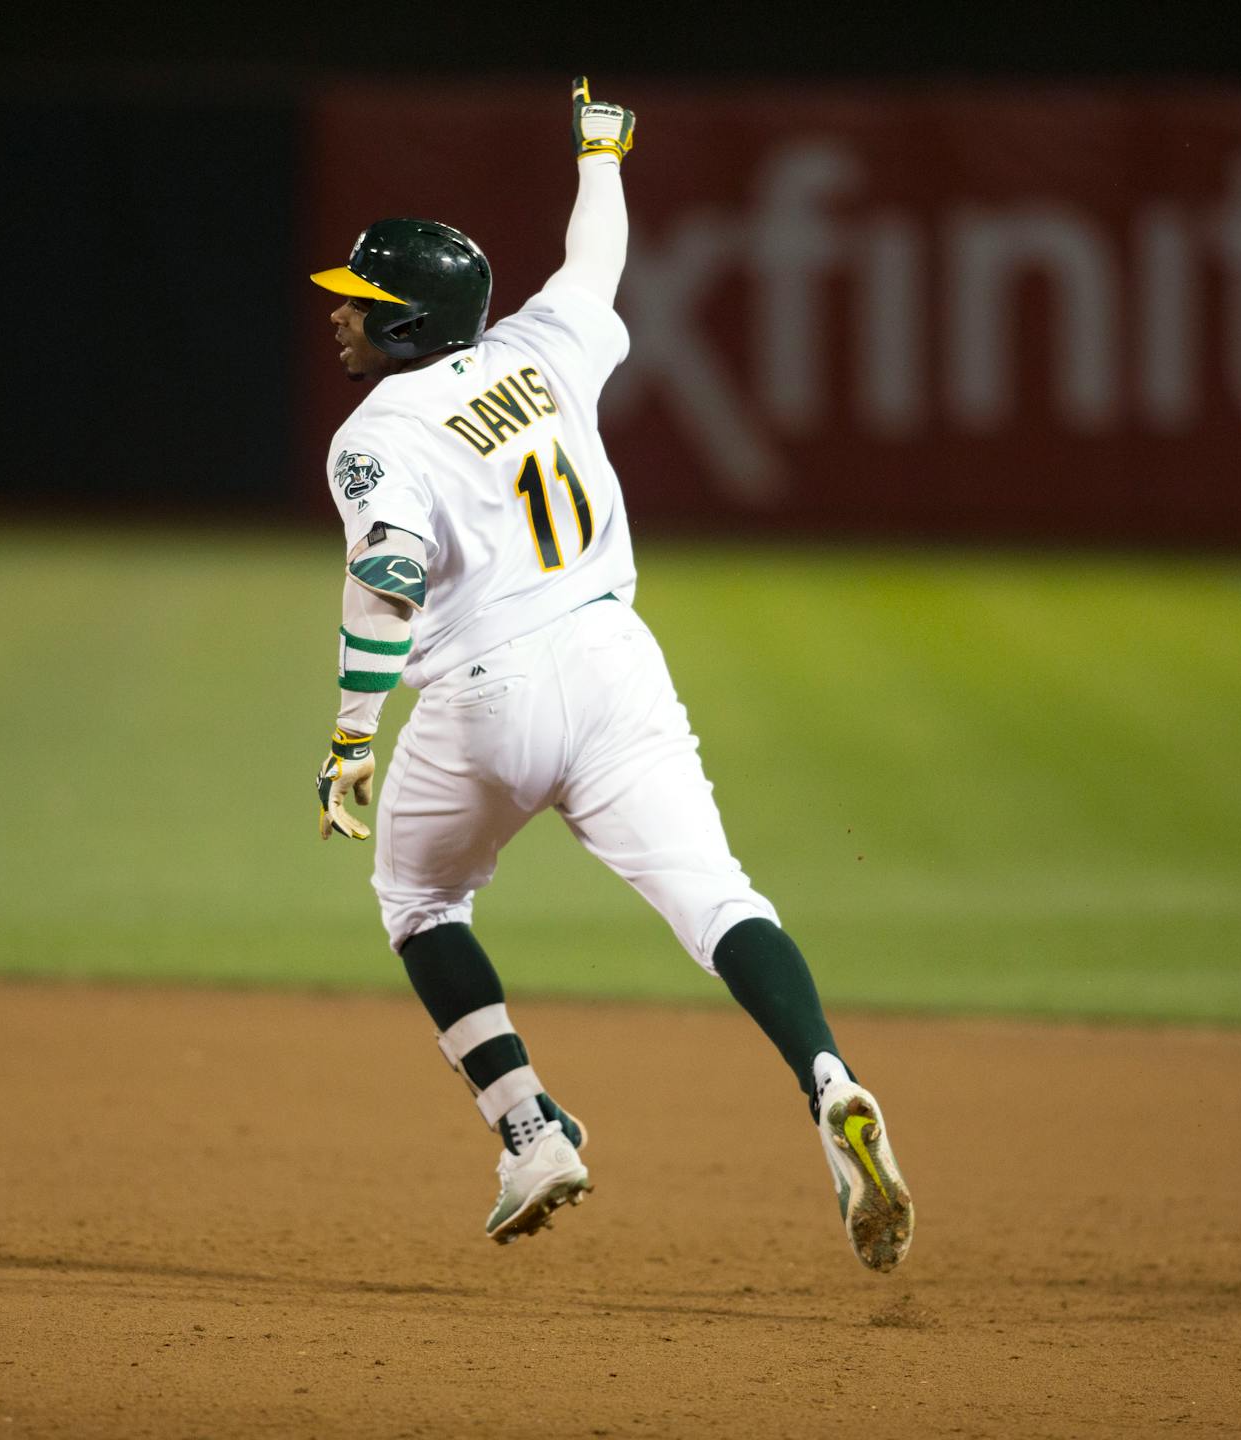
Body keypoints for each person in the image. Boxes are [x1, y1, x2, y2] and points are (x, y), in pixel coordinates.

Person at [309, 78, 913, 1272]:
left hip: (488, 693)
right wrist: (603, 152)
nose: (341, 314)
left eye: (362, 301)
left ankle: (529, 1128)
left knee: (420, 904)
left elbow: (387, 576)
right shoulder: (543, 349)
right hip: (616, 660)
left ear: (409, 328)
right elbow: (597, 260)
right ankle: (827, 1076)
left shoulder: (377, 431)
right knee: (720, 897)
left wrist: (349, 734)